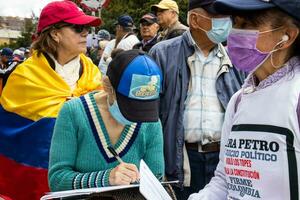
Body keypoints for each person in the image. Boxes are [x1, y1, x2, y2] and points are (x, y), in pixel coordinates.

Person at [188, 0, 300, 200]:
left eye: (248, 24)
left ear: (288, 36)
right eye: (235, 22)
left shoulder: (295, 96)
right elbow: (225, 180)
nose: (234, 33)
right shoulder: (238, 100)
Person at [0, 1, 102, 199]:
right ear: (55, 34)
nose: (86, 33)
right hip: (35, 178)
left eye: (87, 28)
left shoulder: (92, 72)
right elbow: (11, 134)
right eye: (78, 27)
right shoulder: (25, 76)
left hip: (84, 178)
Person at [149, 0, 245, 199]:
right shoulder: (162, 54)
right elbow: (151, 115)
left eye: (228, 16)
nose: (226, 22)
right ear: (194, 19)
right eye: (219, 16)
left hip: (223, 158)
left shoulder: (235, 59)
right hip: (181, 159)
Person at [48, 49, 164, 191]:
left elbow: (156, 178)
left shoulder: (150, 122)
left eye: (144, 106)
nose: (137, 115)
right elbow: (57, 180)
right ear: (108, 86)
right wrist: (106, 178)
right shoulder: (73, 112)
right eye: (130, 106)